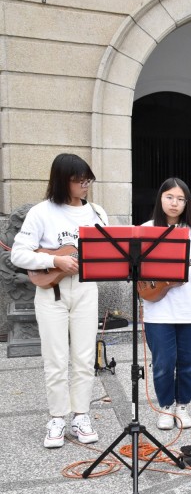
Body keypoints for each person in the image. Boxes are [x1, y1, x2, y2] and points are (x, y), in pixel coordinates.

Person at [11, 153, 108, 448]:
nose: (85, 184)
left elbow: (108, 252)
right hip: (50, 292)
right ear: (62, 180)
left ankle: (81, 415)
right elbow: (18, 253)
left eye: (88, 179)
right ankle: (56, 418)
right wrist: (56, 259)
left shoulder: (97, 213)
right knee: (55, 358)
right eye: (80, 180)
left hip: (86, 291)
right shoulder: (42, 212)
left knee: (83, 357)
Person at [141, 178, 191, 430]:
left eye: (181, 199)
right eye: (170, 197)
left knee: (188, 363)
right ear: (160, 198)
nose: (175, 203)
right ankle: (166, 407)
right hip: (157, 309)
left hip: (189, 308)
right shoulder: (146, 229)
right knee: (163, 363)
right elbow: (137, 266)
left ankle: (182, 405)